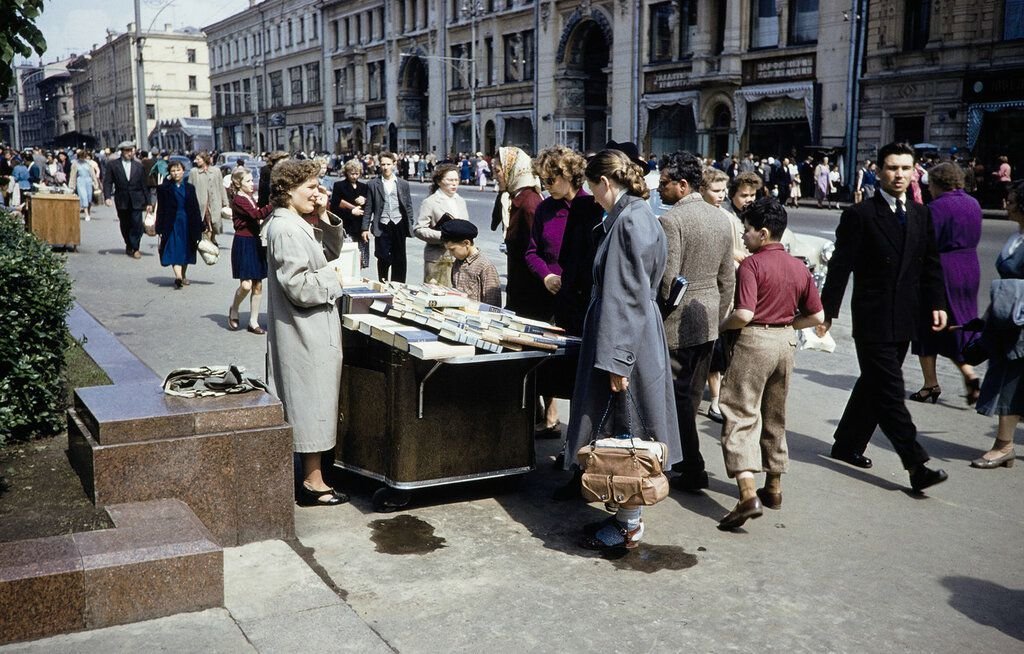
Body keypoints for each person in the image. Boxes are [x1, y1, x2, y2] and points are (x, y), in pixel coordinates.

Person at [565, 148, 680, 551]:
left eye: (593, 189)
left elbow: (625, 296)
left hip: (624, 339)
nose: (592, 198)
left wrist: (617, 361)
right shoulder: (638, 215)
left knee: (627, 430)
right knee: (629, 426)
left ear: (605, 183)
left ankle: (629, 522)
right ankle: (624, 514)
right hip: (632, 335)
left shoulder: (628, 221)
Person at [818, 142, 950, 493]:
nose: (899, 175)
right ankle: (916, 463)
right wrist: (825, 312)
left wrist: (937, 302)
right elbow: (840, 268)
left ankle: (847, 443)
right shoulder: (861, 215)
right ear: (878, 171)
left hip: (905, 317)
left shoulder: (923, 215)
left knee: (873, 384)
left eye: (906, 169)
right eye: (892, 168)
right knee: (891, 391)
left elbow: (931, 264)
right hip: (873, 319)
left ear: (914, 171)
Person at [717, 198, 824, 530]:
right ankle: (774, 488)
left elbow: (744, 313)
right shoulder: (799, 266)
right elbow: (817, 316)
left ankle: (748, 494)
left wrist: (723, 326)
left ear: (762, 233)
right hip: (785, 343)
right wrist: (787, 327)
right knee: (775, 415)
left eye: (747, 230)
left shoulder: (751, 265)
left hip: (753, 341)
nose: (744, 236)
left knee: (740, 413)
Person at [264, 158, 349, 507]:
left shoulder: (295, 222)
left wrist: (325, 214)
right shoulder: (284, 228)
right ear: (287, 190)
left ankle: (317, 476)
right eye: (311, 187)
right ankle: (313, 483)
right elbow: (297, 286)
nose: (318, 192)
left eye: (318, 186)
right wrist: (336, 278)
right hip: (304, 330)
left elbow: (326, 250)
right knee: (310, 402)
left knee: (316, 400)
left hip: (312, 328)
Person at [657, 151, 735, 492]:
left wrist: (659, 315)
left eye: (664, 183)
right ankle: (689, 464)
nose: (659, 189)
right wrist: (716, 319)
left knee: (678, 399)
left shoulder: (671, 221)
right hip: (708, 321)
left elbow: (667, 280)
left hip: (678, 323)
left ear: (682, 185)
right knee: (690, 396)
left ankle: (691, 466)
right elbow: (727, 278)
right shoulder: (720, 218)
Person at [910, 162, 982, 405]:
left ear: (937, 183)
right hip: (970, 266)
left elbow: (926, 244)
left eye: (930, 184)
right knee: (959, 324)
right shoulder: (974, 204)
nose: (928, 189)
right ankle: (969, 373)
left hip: (943, 268)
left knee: (926, 325)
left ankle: (930, 384)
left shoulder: (934, 208)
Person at [528, 146, 586, 439]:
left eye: (550, 180)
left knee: (578, 374)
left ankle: (577, 437)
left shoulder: (590, 207)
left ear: (568, 175)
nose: (545, 186)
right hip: (549, 299)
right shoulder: (544, 208)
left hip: (579, 304)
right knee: (548, 365)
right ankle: (552, 418)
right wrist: (546, 275)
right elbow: (532, 252)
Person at [973, 180, 1024, 469]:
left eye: (1013, 200)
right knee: (1008, 376)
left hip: (1020, 323)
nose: (1007, 204)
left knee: (1011, 381)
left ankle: (1003, 446)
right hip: (1007, 317)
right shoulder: (1017, 234)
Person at [498, 146, 544, 316]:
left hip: (529, 290)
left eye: (498, 171)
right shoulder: (517, 198)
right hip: (519, 283)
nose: (496, 176)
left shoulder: (529, 203)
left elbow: (538, 249)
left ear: (511, 171)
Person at [228, 168, 272, 334]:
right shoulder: (240, 199)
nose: (251, 183)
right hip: (244, 242)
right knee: (246, 285)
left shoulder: (249, 197)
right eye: (247, 181)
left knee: (258, 285)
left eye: (252, 180)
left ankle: (253, 322)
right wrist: (274, 204)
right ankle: (234, 308)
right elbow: (256, 215)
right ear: (239, 183)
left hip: (255, 241)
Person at [415, 162, 469, 285]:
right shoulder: (430, 202)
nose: (454, 183)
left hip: (459, 258)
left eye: (456, 180)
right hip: (438, 258)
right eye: (450, 180)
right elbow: (419, 229)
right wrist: (443, 236)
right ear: (439, 181)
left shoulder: (460, 201)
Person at [363, 151, 414, 282]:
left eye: (388, 164)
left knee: (400, 258)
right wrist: (365, 228)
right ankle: (383, 283)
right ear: (379, 165)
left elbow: (408, 205)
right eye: (383, 164)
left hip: (399, 223)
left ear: (394, 165)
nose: (385, 167)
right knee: (383, 256)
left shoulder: (403, 184)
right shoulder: (373, 184)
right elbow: (368, 207)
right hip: (382, 224)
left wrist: (410, 222)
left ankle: (399, 286)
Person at [154, 160, 203, 288]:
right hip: (172, 223)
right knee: (174, 248)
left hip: (187, 222)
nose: (176, 173)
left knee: (186, 248)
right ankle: (179, 277)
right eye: (173, 171)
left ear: (183, 171)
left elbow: (195, 208)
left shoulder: (190, 188)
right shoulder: (164, 188)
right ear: (170, 173)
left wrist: (200, 225)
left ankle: (183, 274)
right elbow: (161, 209)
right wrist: (159, 226)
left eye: (178, 170)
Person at [103, 141, 150, 259]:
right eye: (127, 151)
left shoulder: (139, 166)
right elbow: (108, 182)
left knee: (137, 223)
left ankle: (135, 248)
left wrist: (149, 202)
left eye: (132, 150)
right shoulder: (113, 165)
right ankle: (129, 244)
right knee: (125, 224)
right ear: (122, 152)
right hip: (121, 198)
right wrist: (107, 197)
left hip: (137, 199)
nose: (130, 153)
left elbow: (144, 185)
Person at [441, 219, 501, 305]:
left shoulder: (485, 267)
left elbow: (492, 303)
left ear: (466, 243)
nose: (450, 254)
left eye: (452, 250)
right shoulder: (457, 263)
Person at [330, 159, 370, 269]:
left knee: (360, 258)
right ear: (346, 173)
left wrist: (365, 200)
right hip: (347, 227)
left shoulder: (363, 187)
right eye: (351, 173)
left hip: (360, 227)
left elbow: (369, 207)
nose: (354, 176)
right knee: (347, 256)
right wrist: (351, 211)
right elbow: (334, 206)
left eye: (357, 173)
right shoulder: (339, 185)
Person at [189, 152, 229, 244]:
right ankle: (205, 239)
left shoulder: (216, 171)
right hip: (200, 202)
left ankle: (212, 237)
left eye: (198, 159)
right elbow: (189, 188)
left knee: (214, 221)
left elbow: (221, 187)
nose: (196, 161)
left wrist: (225, 202)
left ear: (204, 159)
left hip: (214, 201)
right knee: (203, 221)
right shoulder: (194, 172)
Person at [69, 149, 98, 221]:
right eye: (81, 156)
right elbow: (73, 175)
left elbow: (92, 174)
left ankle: (88, 211)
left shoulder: (88, 163)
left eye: (84, 156)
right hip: (80, 181)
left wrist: (95, 183)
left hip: (88, 181)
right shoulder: (75, 164)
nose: (82, 158)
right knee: (83, 196)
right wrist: (72, 186)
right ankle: (86, 214)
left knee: (89, 198)